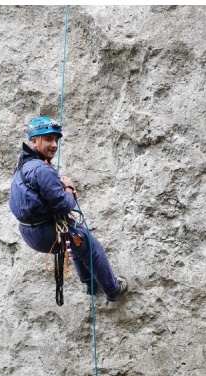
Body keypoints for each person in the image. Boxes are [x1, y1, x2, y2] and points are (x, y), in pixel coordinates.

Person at [9, 116, 128, 302]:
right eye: (48, 139)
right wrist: (69, 189)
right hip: (46, 233)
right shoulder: (42, 170)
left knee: (77, 239)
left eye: (56, 140)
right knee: (90, 245)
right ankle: (112, 289)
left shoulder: (23, 166)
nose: (54, 145)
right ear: (34, 141)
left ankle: (91, 283)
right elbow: (64, 206)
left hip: (29, 231)